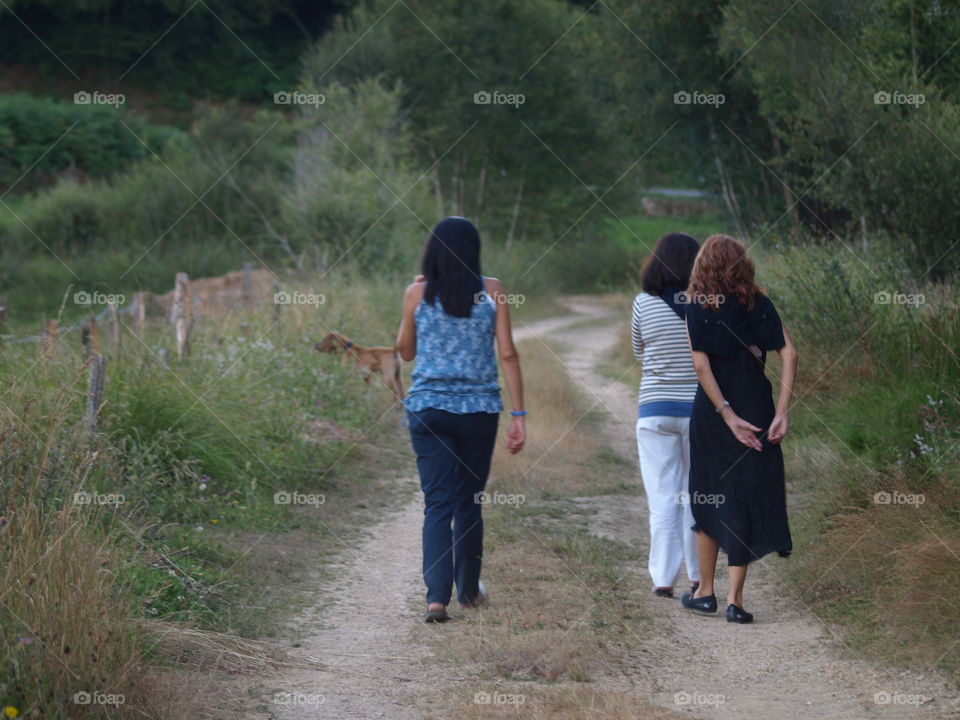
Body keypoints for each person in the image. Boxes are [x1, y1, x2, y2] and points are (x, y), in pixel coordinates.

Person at [396, 217, 526, 623]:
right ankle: (468, 592)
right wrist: (519, 415)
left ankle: (436, 599)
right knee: (469, 501)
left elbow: (405, 352)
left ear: (432, 251)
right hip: (478, 412)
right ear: (474, 251)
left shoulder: (416, 293)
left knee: (437, 503)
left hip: (429, 409)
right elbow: (507, 354)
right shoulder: (493, 291)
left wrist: (414, 300)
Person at [680, 234, 798, 624]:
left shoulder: (696, 306)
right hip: (758, 407)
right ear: (743, 265)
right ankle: (736, 601)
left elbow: (701, 367)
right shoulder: (758, 304)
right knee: (743, 497)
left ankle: (705, 593)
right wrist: (781, 412)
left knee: (710, 495)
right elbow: (790, 353)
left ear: (702, 267)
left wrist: (727, 415)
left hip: (715, 415)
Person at [632, 232, 702, 599]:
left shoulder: (643, 303)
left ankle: (662, 578)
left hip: (654, 411)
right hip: (698, 412)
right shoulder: (704, 304)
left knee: (662, 496)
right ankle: (697, 575)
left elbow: (638, 351)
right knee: (696, 494)